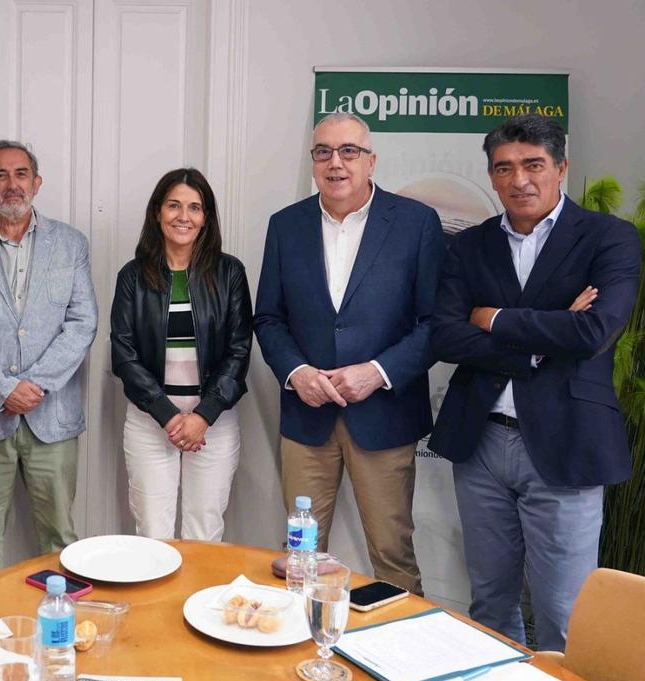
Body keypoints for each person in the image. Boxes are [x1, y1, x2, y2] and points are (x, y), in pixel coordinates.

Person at [428, 114, 641, 651]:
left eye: (533, 165)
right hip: (480, 443)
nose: (519, 179)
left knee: (563, 616)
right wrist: (547, 338)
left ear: (561, 168)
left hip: (566, 445)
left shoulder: (608, 238)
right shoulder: (468, 245)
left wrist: (495, 318)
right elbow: (445, 338)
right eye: (505, 168)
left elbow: (593, 330)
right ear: (492, 177)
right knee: (489, 606)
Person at [254, 112, 445, 595]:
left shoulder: (416, 223)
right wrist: (296, 372)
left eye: (348, 152)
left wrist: (377, 372)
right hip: (307, 417)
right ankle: (294, 660)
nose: (335, 163)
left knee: (393, 555)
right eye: (323, 152)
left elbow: (435, 323)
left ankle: (402, 661)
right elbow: (268, 318)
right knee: (299, 560)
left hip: (383, 415)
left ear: (371, 160)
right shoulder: (286, 225)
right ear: (313, 161)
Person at [0, 140, 98, 583]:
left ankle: (61, 632)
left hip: (53, 415)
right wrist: (3, 389)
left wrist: (36, 386)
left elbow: (83, 323)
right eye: (1, 175)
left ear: (37, 182)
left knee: (59, 534)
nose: (12, 185)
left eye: (21, 174)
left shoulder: (71, 244)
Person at [110, 168, 252, 540]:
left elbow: (239, 351)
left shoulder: (229, 273)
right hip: (150, 422)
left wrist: (202, 416)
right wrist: (169, 416)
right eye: (174, 205)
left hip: (213, 423)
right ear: (158, 211)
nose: (183, 217)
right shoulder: (133, 276)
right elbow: (123, 354)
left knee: (203, 533)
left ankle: (198, 602)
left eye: (194, 207)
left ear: (206, 218)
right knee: (153, 534)